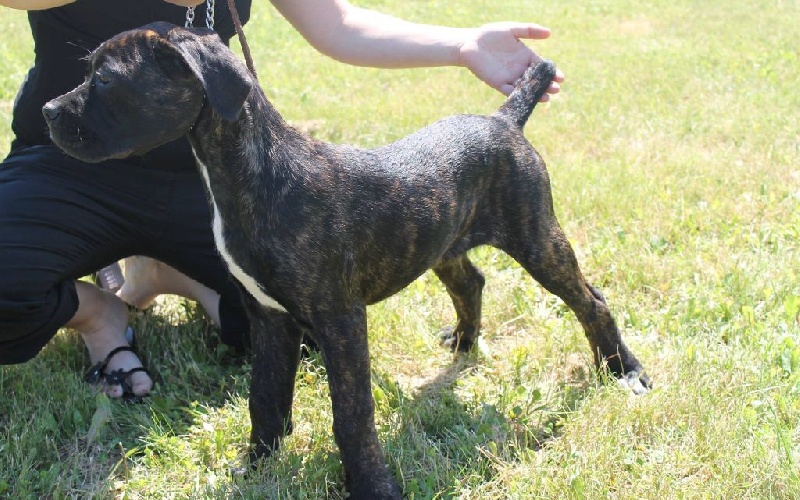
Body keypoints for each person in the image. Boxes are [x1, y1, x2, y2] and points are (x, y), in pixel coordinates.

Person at [0, 0, 563, 400]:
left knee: (306, 324)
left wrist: (461, 45)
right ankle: (99, 313)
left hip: (208, 182)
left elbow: (339, 22)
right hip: (71, 162)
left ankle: (167, 272)